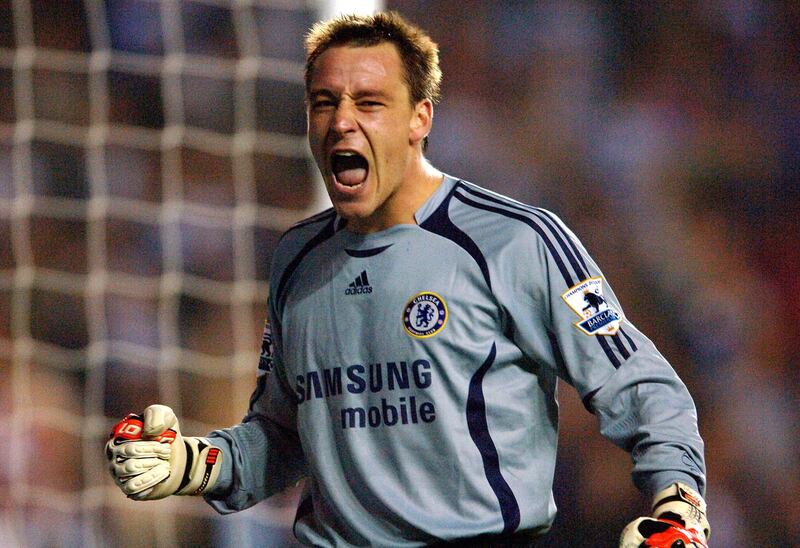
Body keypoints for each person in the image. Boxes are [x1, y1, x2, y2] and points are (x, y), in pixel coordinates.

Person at [105, 12, 710, 547]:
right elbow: (285, 434)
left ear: (420, 117)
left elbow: (638, 380)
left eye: (369, 103)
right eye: (324, 102)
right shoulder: (296, 258)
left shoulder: (513, 241)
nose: (342, 121)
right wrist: (196, 464)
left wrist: (679, 504)